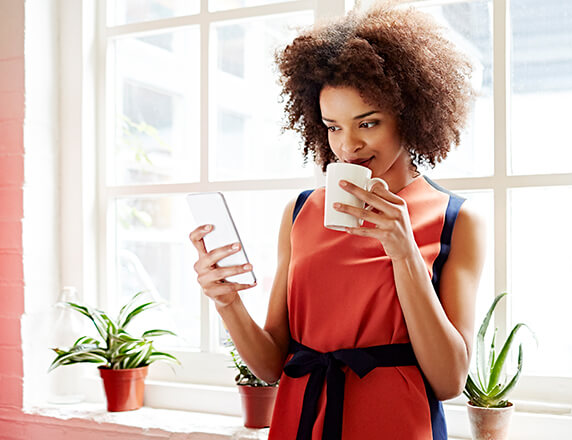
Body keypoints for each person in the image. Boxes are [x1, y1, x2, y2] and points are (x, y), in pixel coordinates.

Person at [189, 3, 485, 439]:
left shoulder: (456, 219)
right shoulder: (300, 211)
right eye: (332, 127)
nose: (348, 146)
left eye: (368, 123)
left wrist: (403, 254)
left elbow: (449, 381)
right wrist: (226, 302)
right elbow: (270, 366)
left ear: (412, 114)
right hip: (302, 422)